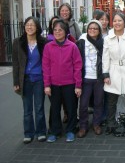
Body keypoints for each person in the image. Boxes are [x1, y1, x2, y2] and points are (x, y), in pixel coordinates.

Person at [43, 19, 82, 143]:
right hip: (54, 84)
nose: (58, 32)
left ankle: (70, 130)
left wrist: (78, 85)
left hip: (69, 84)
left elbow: (77, 66)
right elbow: (46, 67)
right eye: (55, 30)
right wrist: (47, 85)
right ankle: (55, 131)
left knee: (71, 108)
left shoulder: (72, 46)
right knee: (54, 109)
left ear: (66, 32)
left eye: (60, 30)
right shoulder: (48, 47)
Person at [102, 12, 125, 135]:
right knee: (111, 101)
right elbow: (105, 57)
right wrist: (106, 74)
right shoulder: (108, 38)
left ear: (124, 22)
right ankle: (111, 123)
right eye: (115, 21)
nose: (117, 23)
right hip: (113, 70)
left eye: (120, 21)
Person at [12, 16, 47, 144]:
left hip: (39, 79)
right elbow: (15, 63)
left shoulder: (43, 42)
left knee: (39, 107)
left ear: (37, 27)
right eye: (27, 25)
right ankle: (28, 133)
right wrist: (16, 82)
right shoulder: (18, 42)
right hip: (25, 79)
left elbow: (47, 62)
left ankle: (41, 132)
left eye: (32, 25)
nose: (29, 27)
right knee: (27, 109)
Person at [76, 20, 104, 138]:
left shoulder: (103, 43)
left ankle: (96, 124)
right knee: (83, 105)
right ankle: (83, 126)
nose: (92, 30)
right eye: (90, 28)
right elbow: (77, 60)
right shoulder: (82, 41)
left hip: (98, 77)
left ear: (99, 31)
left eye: (95, 29)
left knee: (98, 102)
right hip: (85, 77)